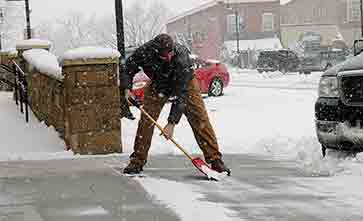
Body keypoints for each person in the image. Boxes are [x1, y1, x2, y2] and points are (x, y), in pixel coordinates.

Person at [120, 33, 230, 175]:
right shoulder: (144, 52)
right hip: (158, 85)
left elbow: (181, 94)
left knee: (200, 119)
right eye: (165, 55)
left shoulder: (181, 56)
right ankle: (137, 161)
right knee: (146, 122)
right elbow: (128, 68)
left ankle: (215, 160)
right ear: (155, 52)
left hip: (185, 85)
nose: (169, 57)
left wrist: (171, 123)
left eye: (170, 53)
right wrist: (127, 88)